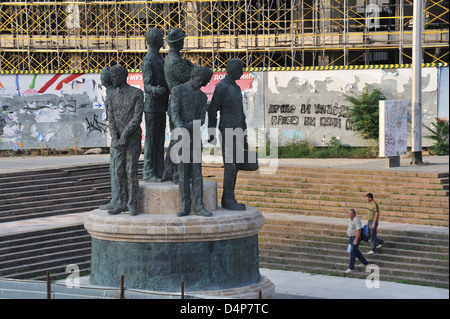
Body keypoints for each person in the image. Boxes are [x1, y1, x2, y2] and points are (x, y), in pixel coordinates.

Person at [170, 66, 213, 217]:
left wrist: (188, 126)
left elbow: (202, 119)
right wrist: (181, 127)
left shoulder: (202, 97)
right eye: (205, 81)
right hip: (181, 137)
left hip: (195, 138)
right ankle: (185, 206)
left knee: (197, 173)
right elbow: (174, 112)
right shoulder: (178, 90)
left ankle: (199, 206)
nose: (205, 85)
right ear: (199, 79)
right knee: (182, 174)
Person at [208, 58, 247, 211]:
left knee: (236, 165)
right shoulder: (222, 87)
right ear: (233, 70)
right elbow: (212, 109)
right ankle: (228, 199)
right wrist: (211, 131)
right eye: (241, 69)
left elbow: (241, 113)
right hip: (227, 130)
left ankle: (229, 196)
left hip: (237, 129)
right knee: (230, 165)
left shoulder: (236, 88)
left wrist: (244, 136)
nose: (243, 73)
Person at [106, 64, 144, 216]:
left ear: (123, 76)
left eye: (115, 76)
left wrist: (124, 136)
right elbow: (111, 119)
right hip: (118, 141)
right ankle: (121, 203)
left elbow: (137, 118)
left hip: (132, 138)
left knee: (131, 171)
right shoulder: (111, 95)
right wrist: (115, 137)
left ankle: (132, 204)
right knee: (118, 170)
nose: (112, 79)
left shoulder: (137, 93)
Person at [162, 27, 195, 185]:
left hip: (179, 104)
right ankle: (174, 173)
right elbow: (193, 80)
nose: (183, 42)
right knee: (179, 140)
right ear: (177, 43)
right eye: (182, 40)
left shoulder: (175, 59)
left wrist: (188, 64)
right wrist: (193, 68)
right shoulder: (175, 62)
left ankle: (170, 171)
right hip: (179, 106)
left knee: (177, 139)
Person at [141, 28, 169, 182]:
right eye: (161, 38)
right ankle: (149, 172)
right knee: (151, 140)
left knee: (159, 139)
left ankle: (159, 169)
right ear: (155, 41)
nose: (163, 40)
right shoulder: (149, 60)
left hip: (160, 105)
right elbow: (147, 85)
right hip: (152, 106)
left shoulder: (158, 57)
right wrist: (155, 90)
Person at [99, 67, 120, 211]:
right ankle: (116, 198)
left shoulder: (111, 94)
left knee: (115, 169)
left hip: (117, 136)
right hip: (118, 135)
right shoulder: (112, 93)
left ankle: (116, 199)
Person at [345, 209, 369, 274]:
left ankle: (351, 268)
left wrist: (355, 239)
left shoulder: (356, 220)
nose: (349, 215)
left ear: (353, 214)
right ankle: (365, 262)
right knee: (356, 251)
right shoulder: (352, 219)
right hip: (351, 238)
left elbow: (358, 230)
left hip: (355, 238)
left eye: (350, 214)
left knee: (352, 253)